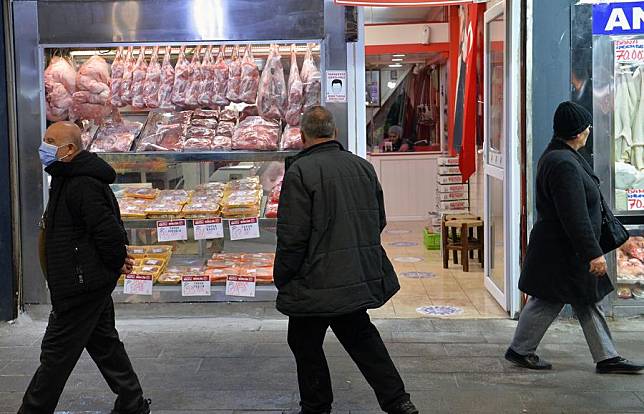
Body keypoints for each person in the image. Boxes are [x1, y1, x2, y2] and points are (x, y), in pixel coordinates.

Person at [275, 107, 418, 414]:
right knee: (362, 339)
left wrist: (283, 275)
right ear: (334, 133)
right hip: (354, 273)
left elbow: (292, 235)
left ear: (302, 137)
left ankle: (316, 406)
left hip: (314, 281)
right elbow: (377, 220)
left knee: (304, 342)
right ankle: (398, 401)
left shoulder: (300, 172)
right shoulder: (362, 167)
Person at [505, 102, 644, 375]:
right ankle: (520, 350)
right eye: (587, 127)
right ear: (579, 132)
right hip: (564, 251)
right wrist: (593, 253)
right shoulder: (563, 164)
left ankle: (606, 356)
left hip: (565, 249)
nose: (590, 130)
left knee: (584, 299)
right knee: (549, 299)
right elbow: (574, 215)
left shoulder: (563, 155)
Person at [20, 121, 150, 414]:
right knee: (104, 343)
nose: (44, 147)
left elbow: (109, 231)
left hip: (79, 285)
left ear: (68, 150)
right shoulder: (66, 175)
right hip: (83, 280)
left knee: (55, 355)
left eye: (50, 141)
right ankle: (132, 402)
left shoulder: (83, 183)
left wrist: (116, 261)